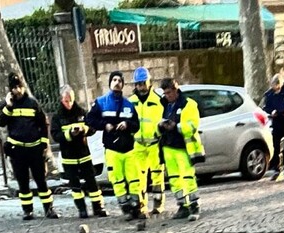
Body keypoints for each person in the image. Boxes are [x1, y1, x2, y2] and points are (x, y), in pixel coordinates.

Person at [0, 72, 59, 220]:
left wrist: (44, 143)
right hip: (17, 150)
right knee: (22, 183)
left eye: (20, 87)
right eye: (14, 88)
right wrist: (9, 106)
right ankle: (27, 211)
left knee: (41, 181)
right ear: (10, 90)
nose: (18, 90)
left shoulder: (32, 103)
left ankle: (49, 209)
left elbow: (43, 124)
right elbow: (0, 122)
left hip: (35, 149)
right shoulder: (5, 105)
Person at [86, 71, 142, 220]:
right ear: (110, 83)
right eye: (114, 80)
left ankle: (137, 207)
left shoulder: (129, 105)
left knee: (134, 179)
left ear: (123, 84)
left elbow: (137, 125)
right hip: (112, 149)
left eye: (120, 80)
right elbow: (89, 120)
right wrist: (105, 125)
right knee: (117, 180)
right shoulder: (101, 102)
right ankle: (126, 208)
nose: (117, 82)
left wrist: (127, 124)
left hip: (129, 149)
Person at [50, 85, 107, 219]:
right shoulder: (57, 117)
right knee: (75, 186)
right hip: (69, 157)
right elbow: (55, 135)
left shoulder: (81, 112)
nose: (68, 103)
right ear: (61, 100)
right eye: (65, 101)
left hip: (84, 155)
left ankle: (98, 207)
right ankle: (82, 209)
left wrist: (84, 131)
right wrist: (69, 134)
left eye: (70, 100)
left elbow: (92, 127)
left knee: (92, 183)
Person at [157, 78, 205, 221]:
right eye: (165, 93)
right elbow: (156, 123)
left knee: (188, 177)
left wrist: (176, 126)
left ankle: (194, 206)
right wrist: (161, 126)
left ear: (176, 90)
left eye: (169, 93)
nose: (167, 96)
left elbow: (192, 125)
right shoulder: (164, 105)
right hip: (168, 146)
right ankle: (182, 206)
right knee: (174, 179)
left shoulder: (188, 104)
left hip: (182, 146)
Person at [129, 67, 167, 215]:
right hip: (138, 145)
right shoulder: (131, 102)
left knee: (157, 176)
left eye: (143, 83)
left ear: (149, 82)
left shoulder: (158, 101)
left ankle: (158, 204)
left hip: (154, 144)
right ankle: (141, 206)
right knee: (139, 177)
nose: (141, 87)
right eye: (138, 84)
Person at [262, 74, 284, 181]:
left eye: (278, 85)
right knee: (276, 146)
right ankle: (277, 168)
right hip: (277, 121)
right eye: (274, 86)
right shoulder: (269, 94)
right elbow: (266, 107)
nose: (276, 88)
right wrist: (271, 112)